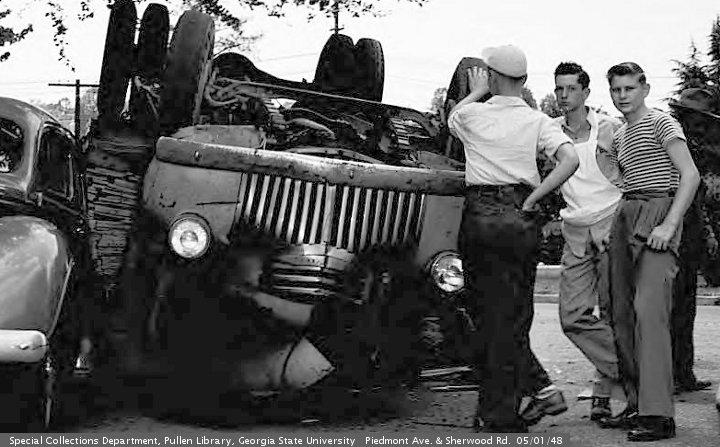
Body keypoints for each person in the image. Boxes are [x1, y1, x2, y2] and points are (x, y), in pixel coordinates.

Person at [448, 44, 579, 433]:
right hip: (521, 216)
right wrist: (535, 196)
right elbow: (570, 159)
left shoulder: (472, 114)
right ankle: (519, 399)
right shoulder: (539, 121)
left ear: (491, 76)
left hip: (482, 215)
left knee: (485, 315)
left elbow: (451, 117)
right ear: (523, 80)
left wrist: (476, 90)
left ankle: (508, 406)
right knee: (515, 315)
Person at [599, 62, 700, 442]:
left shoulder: (662, 123)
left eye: (629, 88)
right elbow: (622, 180)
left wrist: (670, 224)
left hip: (659, 211)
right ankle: (636, 404)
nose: (622, 95)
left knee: (649, 311)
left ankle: (659, 415)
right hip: (627, 211)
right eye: (616, 89)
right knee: (621, 313)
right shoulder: (620, 134)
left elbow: (690, 175)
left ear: (644, 89)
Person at [551, 62, 622, 422]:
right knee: (573, 316)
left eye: (571, 89)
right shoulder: (549, 133)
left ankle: (603, 394)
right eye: (559, 89)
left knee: (613, 315)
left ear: (586, 93)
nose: (564, 95)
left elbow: (634, 177)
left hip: (612, 227)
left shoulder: (611, 129)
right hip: (575, 232)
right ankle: (631, 372)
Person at [668, 88, 718, 394]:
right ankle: (669, 374)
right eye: (694, 119)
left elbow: (699, 199)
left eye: (703, 121)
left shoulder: (700, 152)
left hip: (691, 236)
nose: (698, 127)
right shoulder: (670, 146)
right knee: (670, 307)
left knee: (686, 307)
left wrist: (707, 233)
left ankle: (683, 372)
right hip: (669, 233)